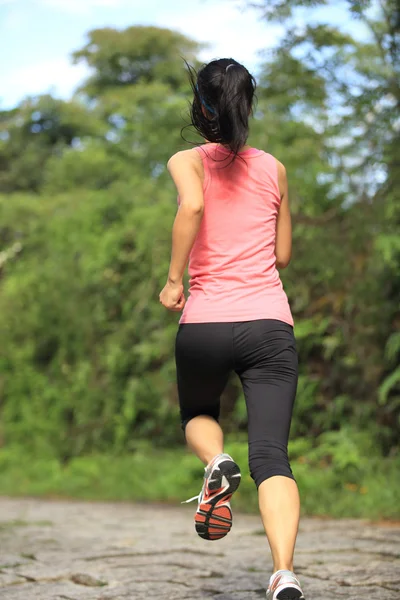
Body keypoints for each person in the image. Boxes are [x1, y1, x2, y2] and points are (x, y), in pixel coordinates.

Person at [159, 58, 305, 600]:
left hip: (206, 321)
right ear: (249, 104)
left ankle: (216, 462)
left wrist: (175, 280)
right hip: (269, 322)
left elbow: (193, 205)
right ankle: (283, 574)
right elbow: (282, 255)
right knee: (272, 455)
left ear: (201, 107)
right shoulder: (275, 169)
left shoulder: (186, 161)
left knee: (197, 414)